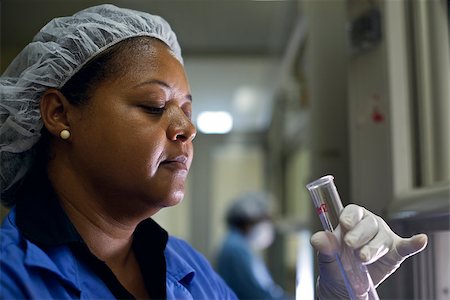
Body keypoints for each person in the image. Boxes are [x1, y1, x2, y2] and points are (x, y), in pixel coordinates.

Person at [0, 4, 428, 300]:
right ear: (59, 113)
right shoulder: (12, 276)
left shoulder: (185, 267)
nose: (187, 129)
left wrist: (340, 294)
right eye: (154, 106)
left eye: (188, 110)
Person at [216, 192, 291, 300]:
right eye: (265, 219)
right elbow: (258, 294)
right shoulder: (236, 249)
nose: (269, 226)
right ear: (248, 221)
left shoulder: (237, 245)